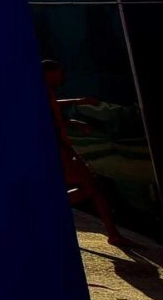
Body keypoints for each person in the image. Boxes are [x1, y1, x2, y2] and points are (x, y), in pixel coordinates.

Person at [42, 59, 123, 246]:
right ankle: (113, 234)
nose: (63, 75)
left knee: (92, 186)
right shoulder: (42, 92)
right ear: (48, 73)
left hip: (61, 147)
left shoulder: (45, 92)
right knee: (92, 186)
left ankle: (113, 233)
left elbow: (54, 107)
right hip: (60, 148)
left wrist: (79, 102)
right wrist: (71, 122)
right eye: (59, 72)